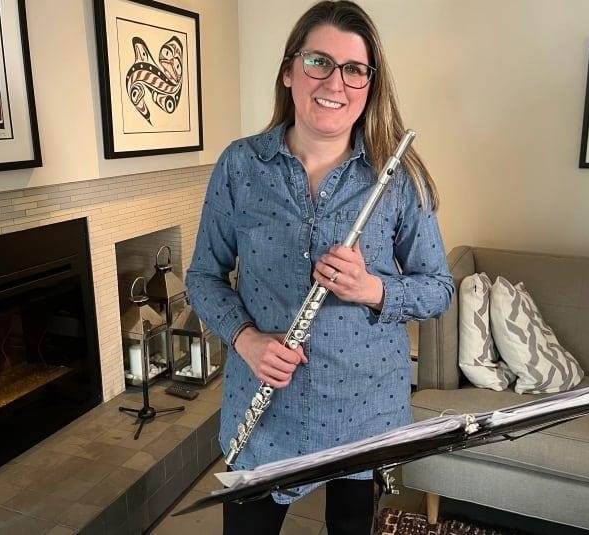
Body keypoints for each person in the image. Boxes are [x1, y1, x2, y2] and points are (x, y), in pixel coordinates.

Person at [186, 1, 453, 533]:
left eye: (355, 69)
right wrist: (245, 339)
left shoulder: (398, 177)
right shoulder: (241, 165)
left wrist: (373, 288)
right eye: (318, 62)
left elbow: (439, 289)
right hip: (265, 411)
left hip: (363, 404)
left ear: (370, 86)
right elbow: (201, 277)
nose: (336, 81)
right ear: (289, 72)